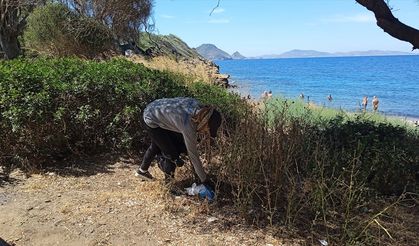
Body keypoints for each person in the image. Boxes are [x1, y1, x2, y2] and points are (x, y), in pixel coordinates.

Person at [136, 97, 222, 188]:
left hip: (154, 107)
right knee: (172, 153)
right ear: (205, 122)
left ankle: (142, 171)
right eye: (208, 129)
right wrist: (205, 180)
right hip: (150, 119)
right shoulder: (188, 125)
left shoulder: (198, 106)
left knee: (158, 143)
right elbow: (193, 155)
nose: (206, 132)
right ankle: (169, 187)